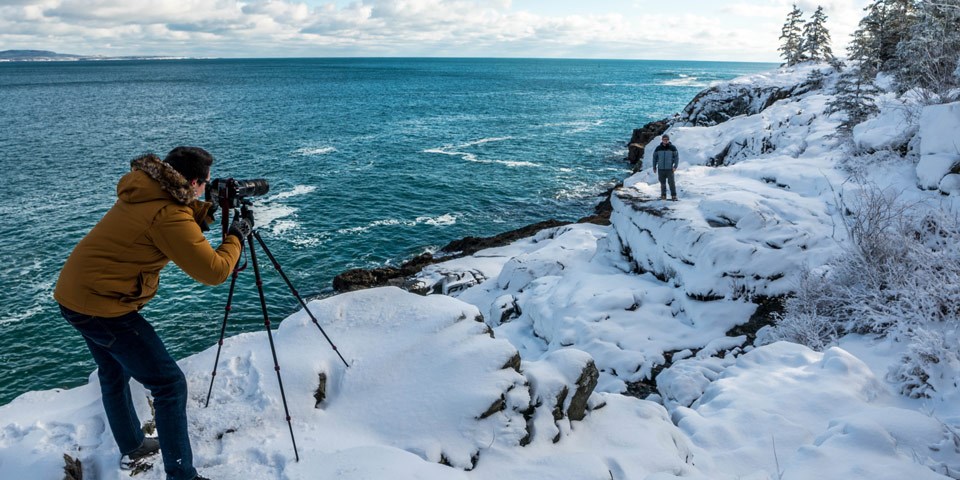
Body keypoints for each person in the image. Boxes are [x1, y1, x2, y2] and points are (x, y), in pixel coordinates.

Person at [54, 146, 253, 480]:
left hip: (75, 295)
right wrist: (237, 235)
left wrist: (208, 209)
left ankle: (133, 445)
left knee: (113, 371)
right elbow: (215, 271)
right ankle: (182, 476)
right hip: (101, 306)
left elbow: (173, 219)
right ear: (192, 183)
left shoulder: (146, 190)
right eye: (203, 185)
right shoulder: (168, 214)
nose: (206, 189)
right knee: (169, 385)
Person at [652, 134, 680, 200]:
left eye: (667, 139)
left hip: (670, 169)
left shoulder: (673, 148)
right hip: (661, 169)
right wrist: (654, 167)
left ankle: (674, 195)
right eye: (664, 139)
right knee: (662, 183)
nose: (665, 141)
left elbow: (676, 158)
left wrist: (675, 166)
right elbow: (654, 158)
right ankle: (663, 195)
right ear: (662, 140)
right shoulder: (658, 148)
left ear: (668, 140)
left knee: (671, 183)